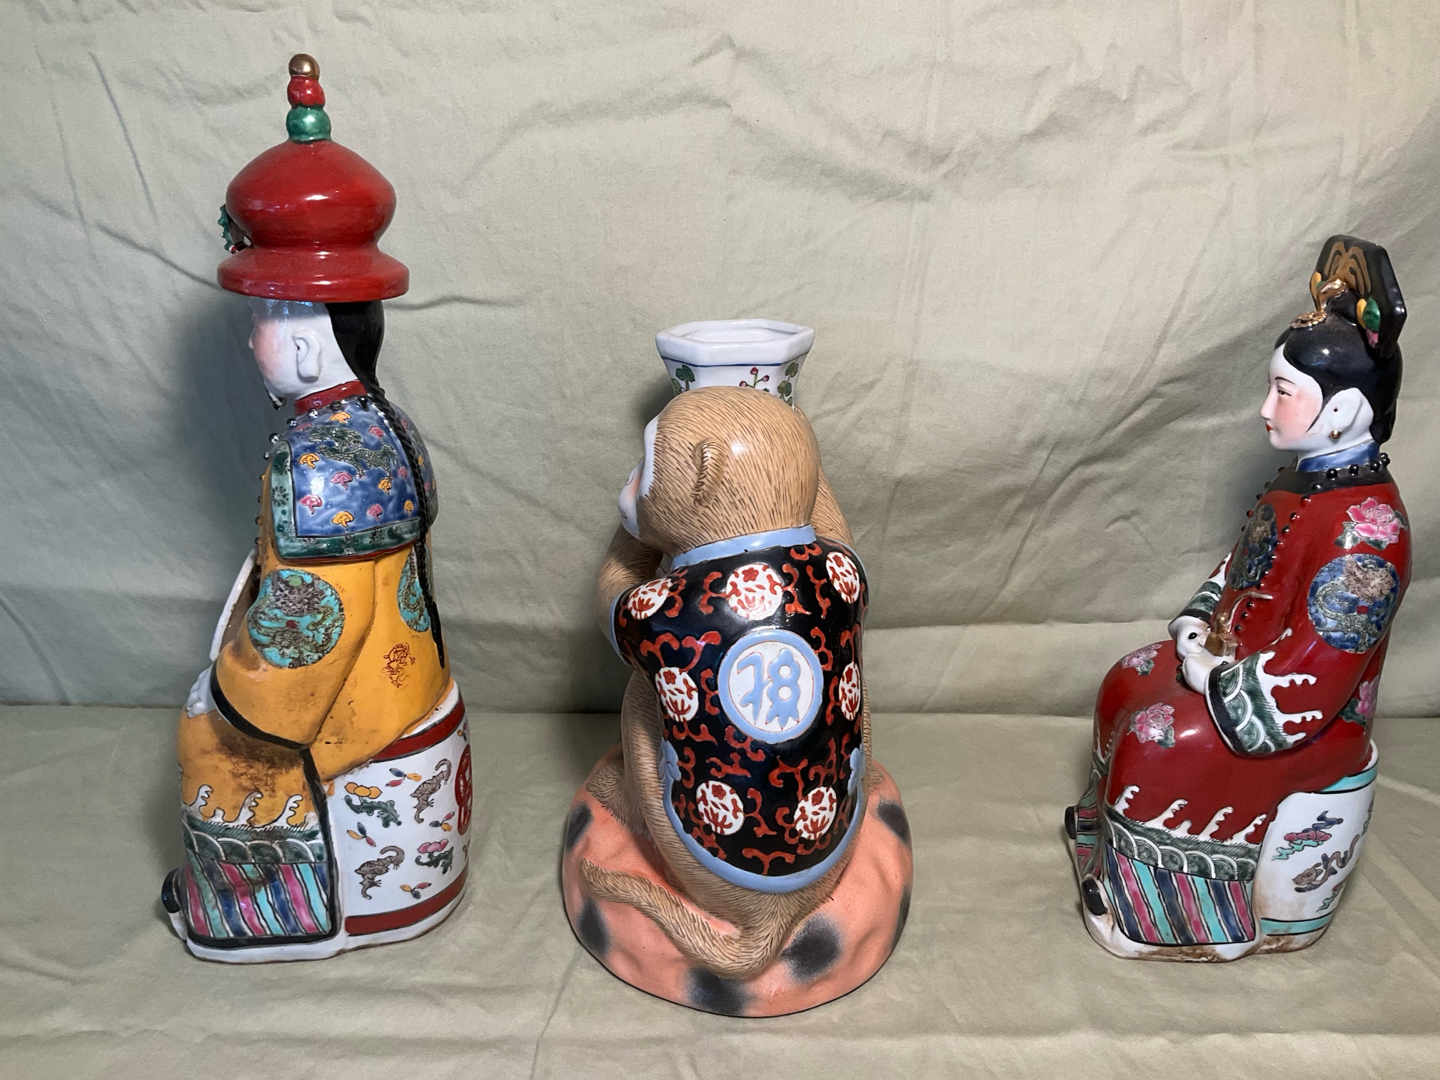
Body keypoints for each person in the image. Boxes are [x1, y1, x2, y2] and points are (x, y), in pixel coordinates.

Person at [161, 56, 470, 962]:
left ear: (304, 343)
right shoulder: (387, 421)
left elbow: (321, 623)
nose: (251, 342)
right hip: (408, 674)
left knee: (216, 739)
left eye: (263, 321)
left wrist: (233, 693)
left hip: (355, 698)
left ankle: (257, 915)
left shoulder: (321, 457)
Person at [1067, 236, 1412, 960]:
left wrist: (1216, 680)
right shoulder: (1296, 483)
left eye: (1284, 392)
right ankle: (1108, 846)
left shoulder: (1368, 532)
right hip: (1232, 660)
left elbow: (1321, 667)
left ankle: (1171, 916)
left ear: (1345, 410)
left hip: (1297, 713)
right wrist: (1199, 623)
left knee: (1163, 737)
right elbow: (1237, 568)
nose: (1264, 408)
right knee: (1126, 678)